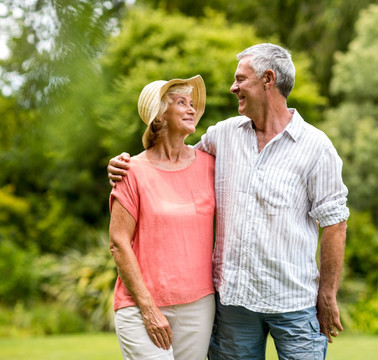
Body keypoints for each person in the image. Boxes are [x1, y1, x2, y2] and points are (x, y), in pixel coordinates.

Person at [108, 43, 349, 360]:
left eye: (240, 79)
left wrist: (327, 294)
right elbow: (170, 158)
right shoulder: (223, 135)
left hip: (293, 302)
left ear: (268, 79)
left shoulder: (316, 147)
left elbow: (334, 222)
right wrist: (122, 164)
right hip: (235, 306)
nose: (233, 87)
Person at [108, 75, 216, 360]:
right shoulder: (130, 170)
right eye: (181, 102)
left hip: (199, 306)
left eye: (192, 103)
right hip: (141, 306)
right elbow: (118, 242)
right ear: (159, 115)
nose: (192, 109)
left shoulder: (210, 164)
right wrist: (148, 308)